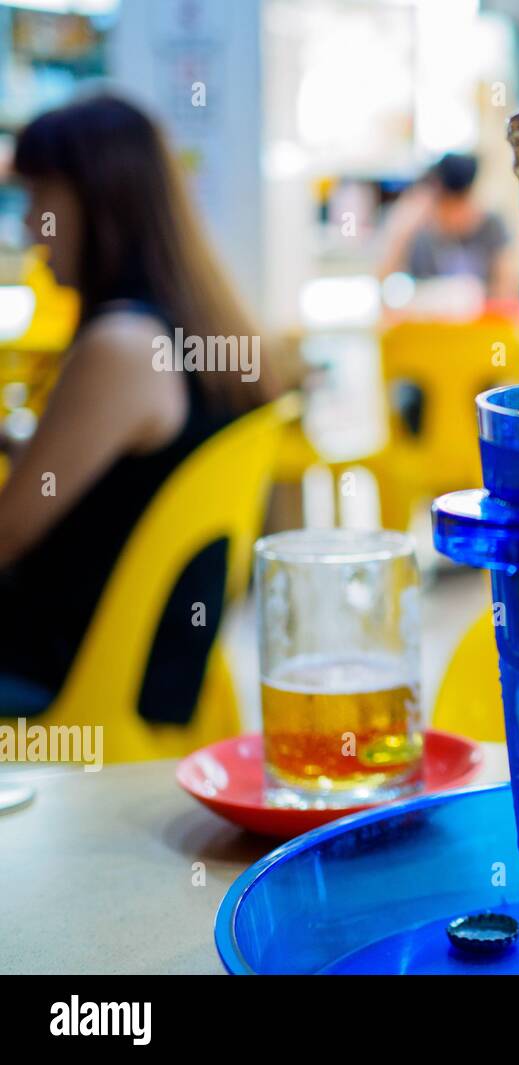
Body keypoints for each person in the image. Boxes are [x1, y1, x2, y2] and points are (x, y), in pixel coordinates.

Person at [0, 95, 270, 719]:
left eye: (41, 195)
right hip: (159, 680)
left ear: (97, 198)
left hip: (65, 683)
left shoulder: (122, 347)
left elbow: (8, 533)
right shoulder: (197, 330)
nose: (28, 225)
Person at [374, 152, 512, 300]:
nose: (455, 215)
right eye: (447, 206)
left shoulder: (491, 226)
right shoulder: (420, 233)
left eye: (461, 204)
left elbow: (507, 291)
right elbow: (382, 284)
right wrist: (402, 226)